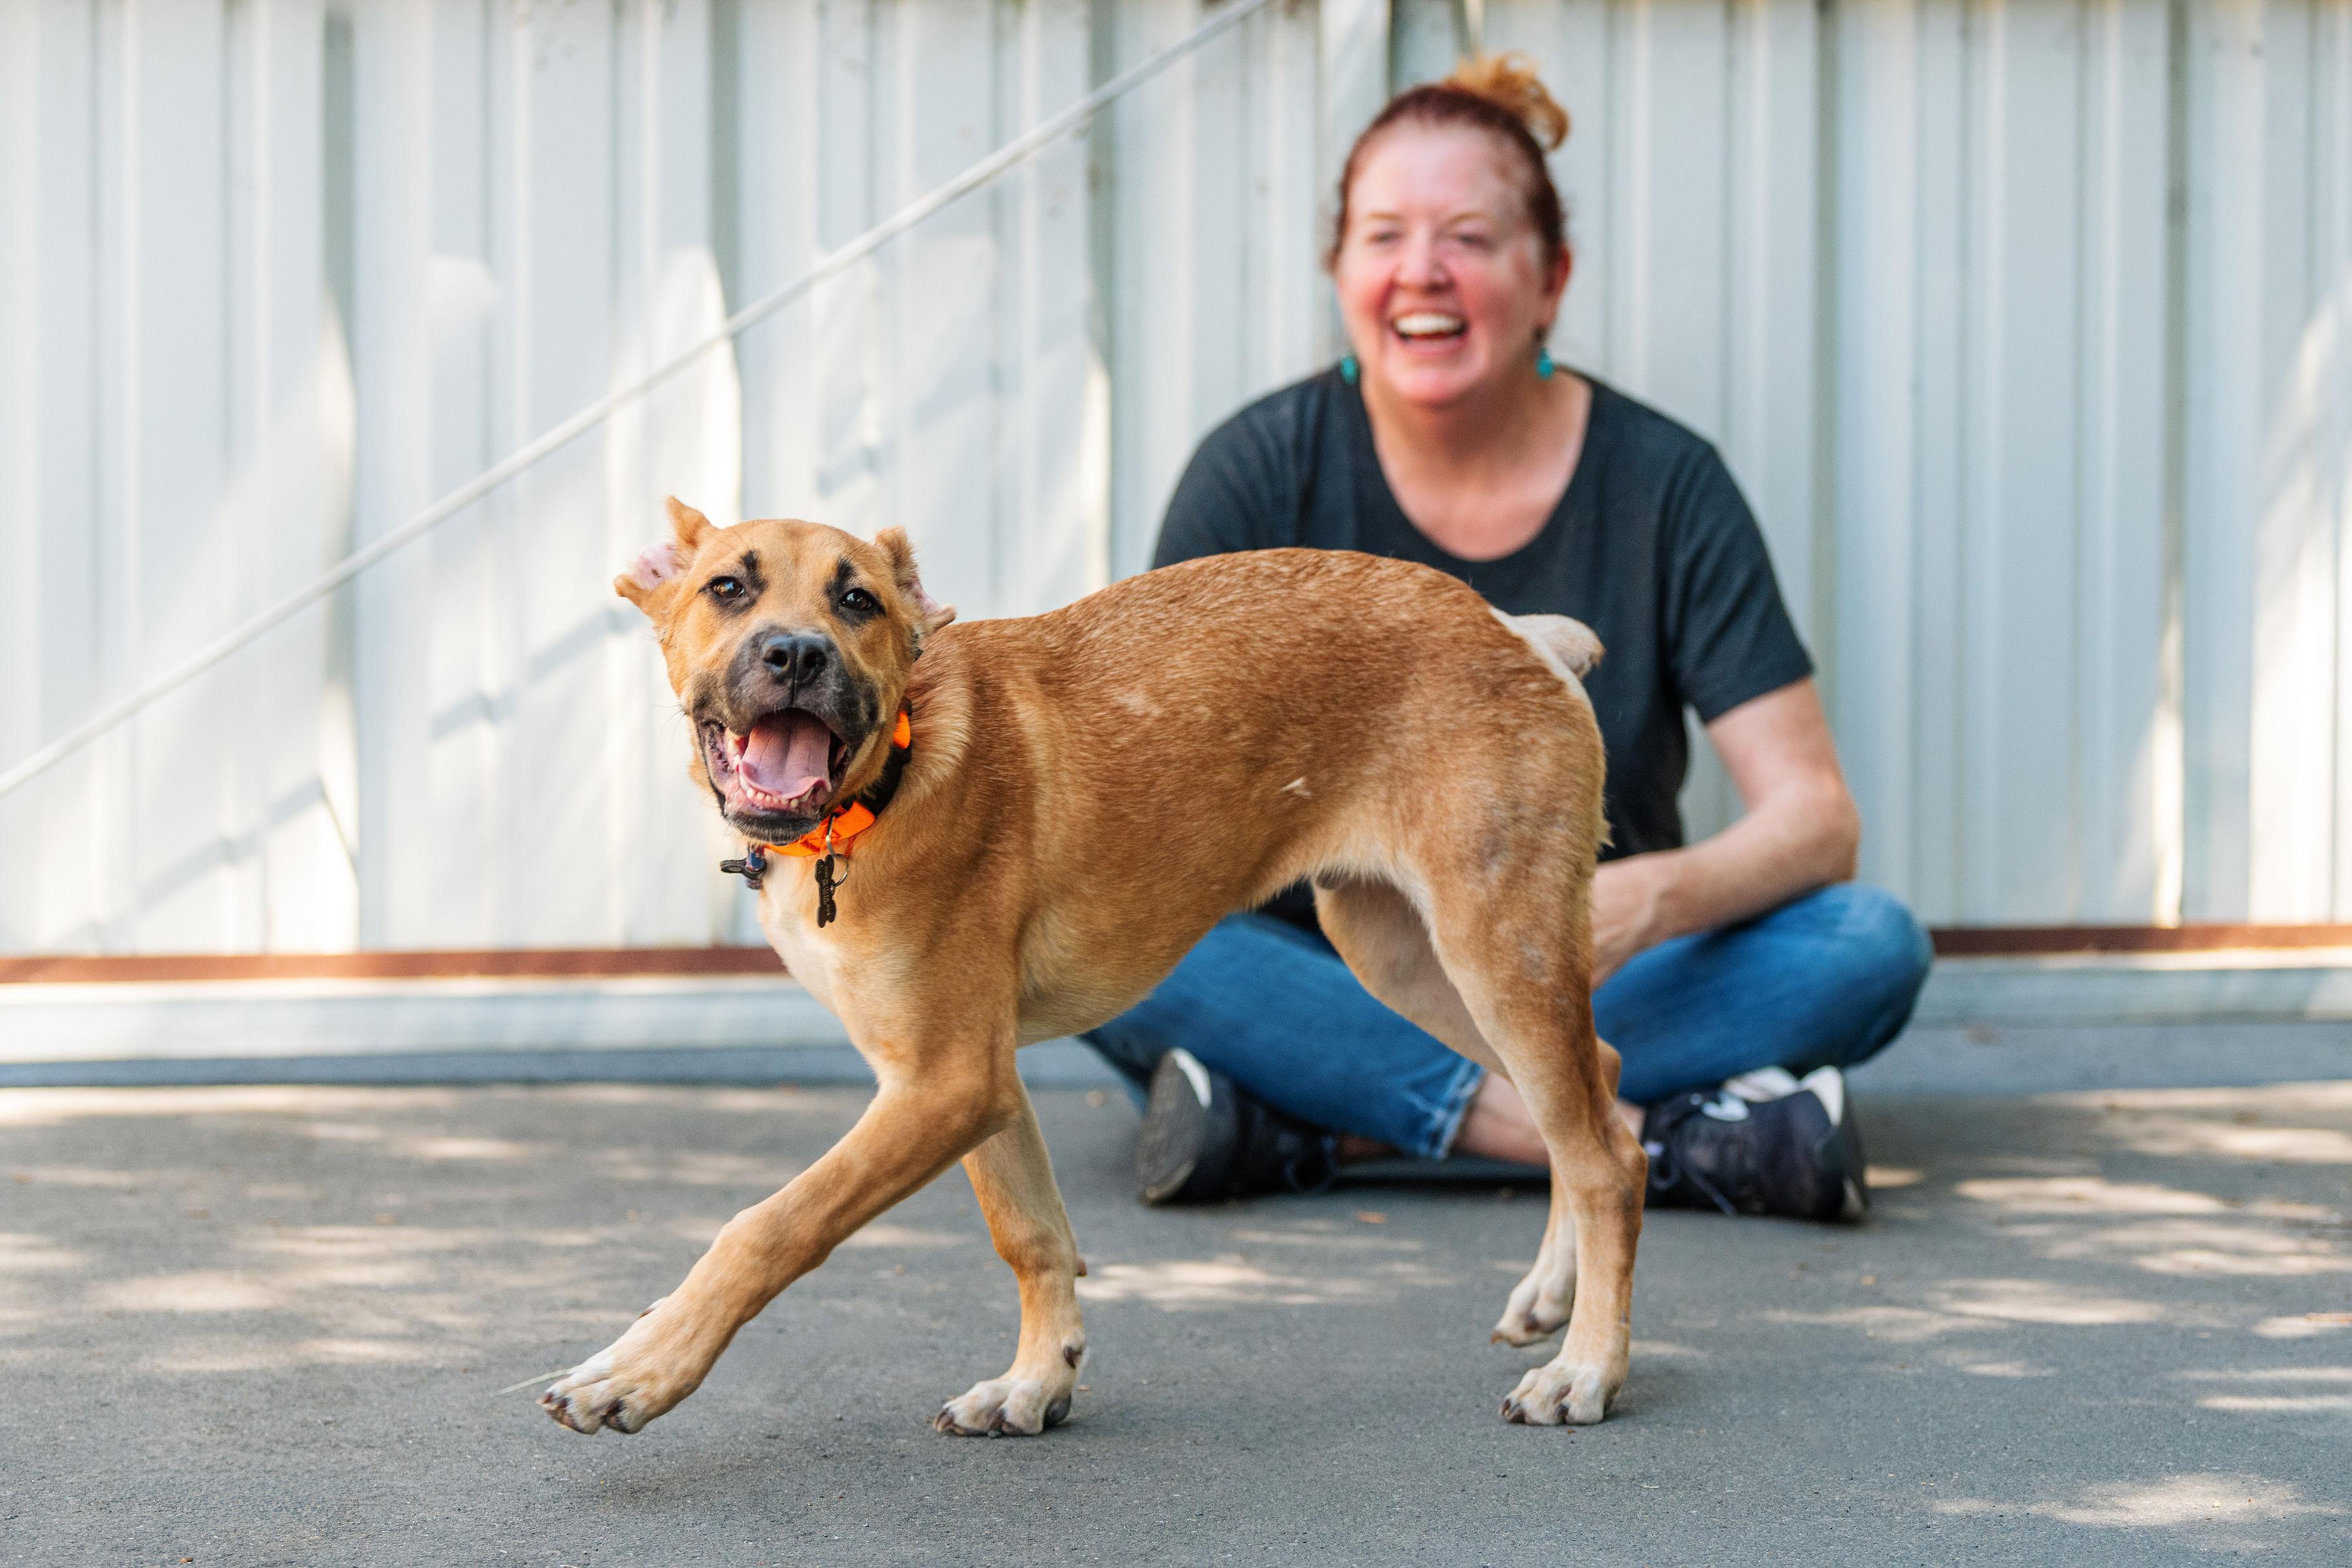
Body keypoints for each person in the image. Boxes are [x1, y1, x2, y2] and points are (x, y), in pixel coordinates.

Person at [1079, 55, 1933, 1224]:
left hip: (1580, 965)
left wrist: (1647, 902)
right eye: (1383, 236)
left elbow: (1816, 818)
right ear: (1339, 272)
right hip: (1324, 974)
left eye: (1470, 238)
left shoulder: (1665, 484)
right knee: (1102, 939)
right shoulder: (1258, 473)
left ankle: (1308, 1120)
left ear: (1552, 277)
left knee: (1869, 944)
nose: (1421, 271)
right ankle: (1629, 1143)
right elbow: (1139, 812)